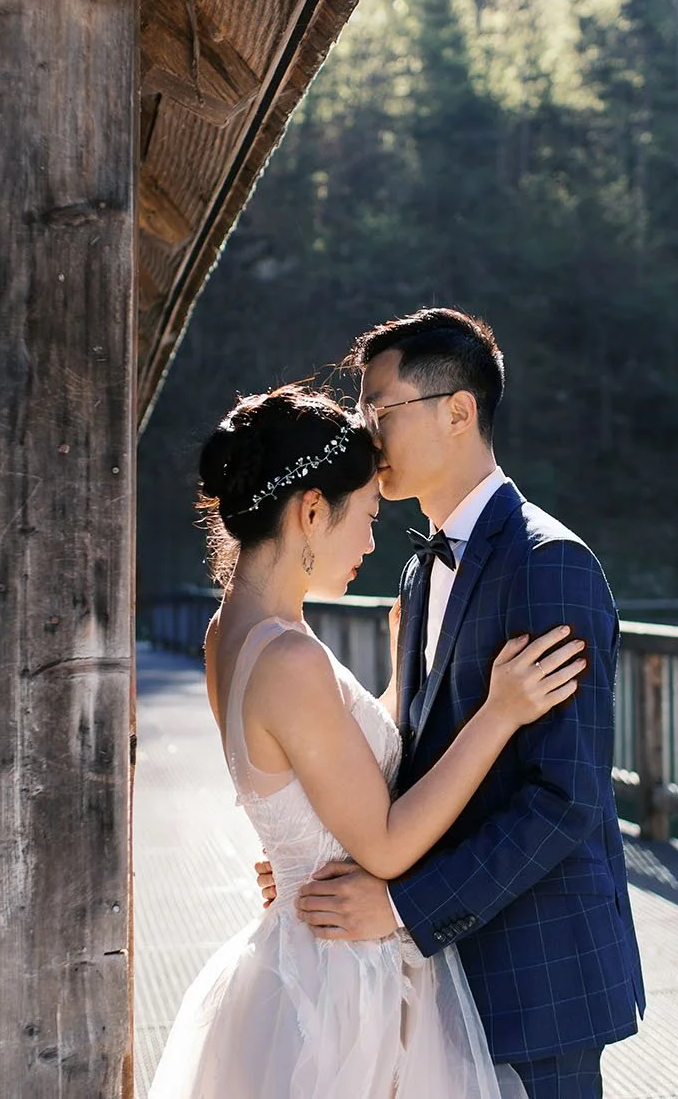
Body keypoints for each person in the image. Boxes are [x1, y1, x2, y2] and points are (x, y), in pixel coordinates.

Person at [149, 385, 584, 1099]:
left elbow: (319, 772)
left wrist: (386, 681)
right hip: (345, 985)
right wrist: (500, 712)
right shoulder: (289, 658)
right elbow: (382, 843)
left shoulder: (229, 633)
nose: (372, 543)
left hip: (305, 948)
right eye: (367, 518)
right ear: (313, 511)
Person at [270, 309, 646, 1099]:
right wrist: (320, 857)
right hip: (439, 985)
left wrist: (401, 907)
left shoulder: (552, 567)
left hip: (534, 981)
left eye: (381, 412)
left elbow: (564, 801)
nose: (367, 436)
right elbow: (415, 758)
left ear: (458, 412)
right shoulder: (416, 572)